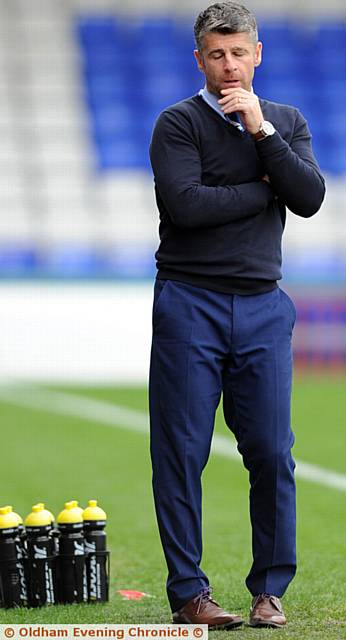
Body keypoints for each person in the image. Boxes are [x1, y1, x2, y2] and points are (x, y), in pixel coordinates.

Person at [149, 1, 325, 629]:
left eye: (238, 53)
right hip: (189, 303)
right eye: (216, 55)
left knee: (273, 452)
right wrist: (264, 190)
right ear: (199, 59)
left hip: (262, 307)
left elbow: (307, 198)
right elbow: (187, 206)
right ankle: (190, 594)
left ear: (258, 55)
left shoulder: (284, 121)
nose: (229, 67)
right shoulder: (177, 124)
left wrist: (262, 134)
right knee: (181, 451)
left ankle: (268, 591)